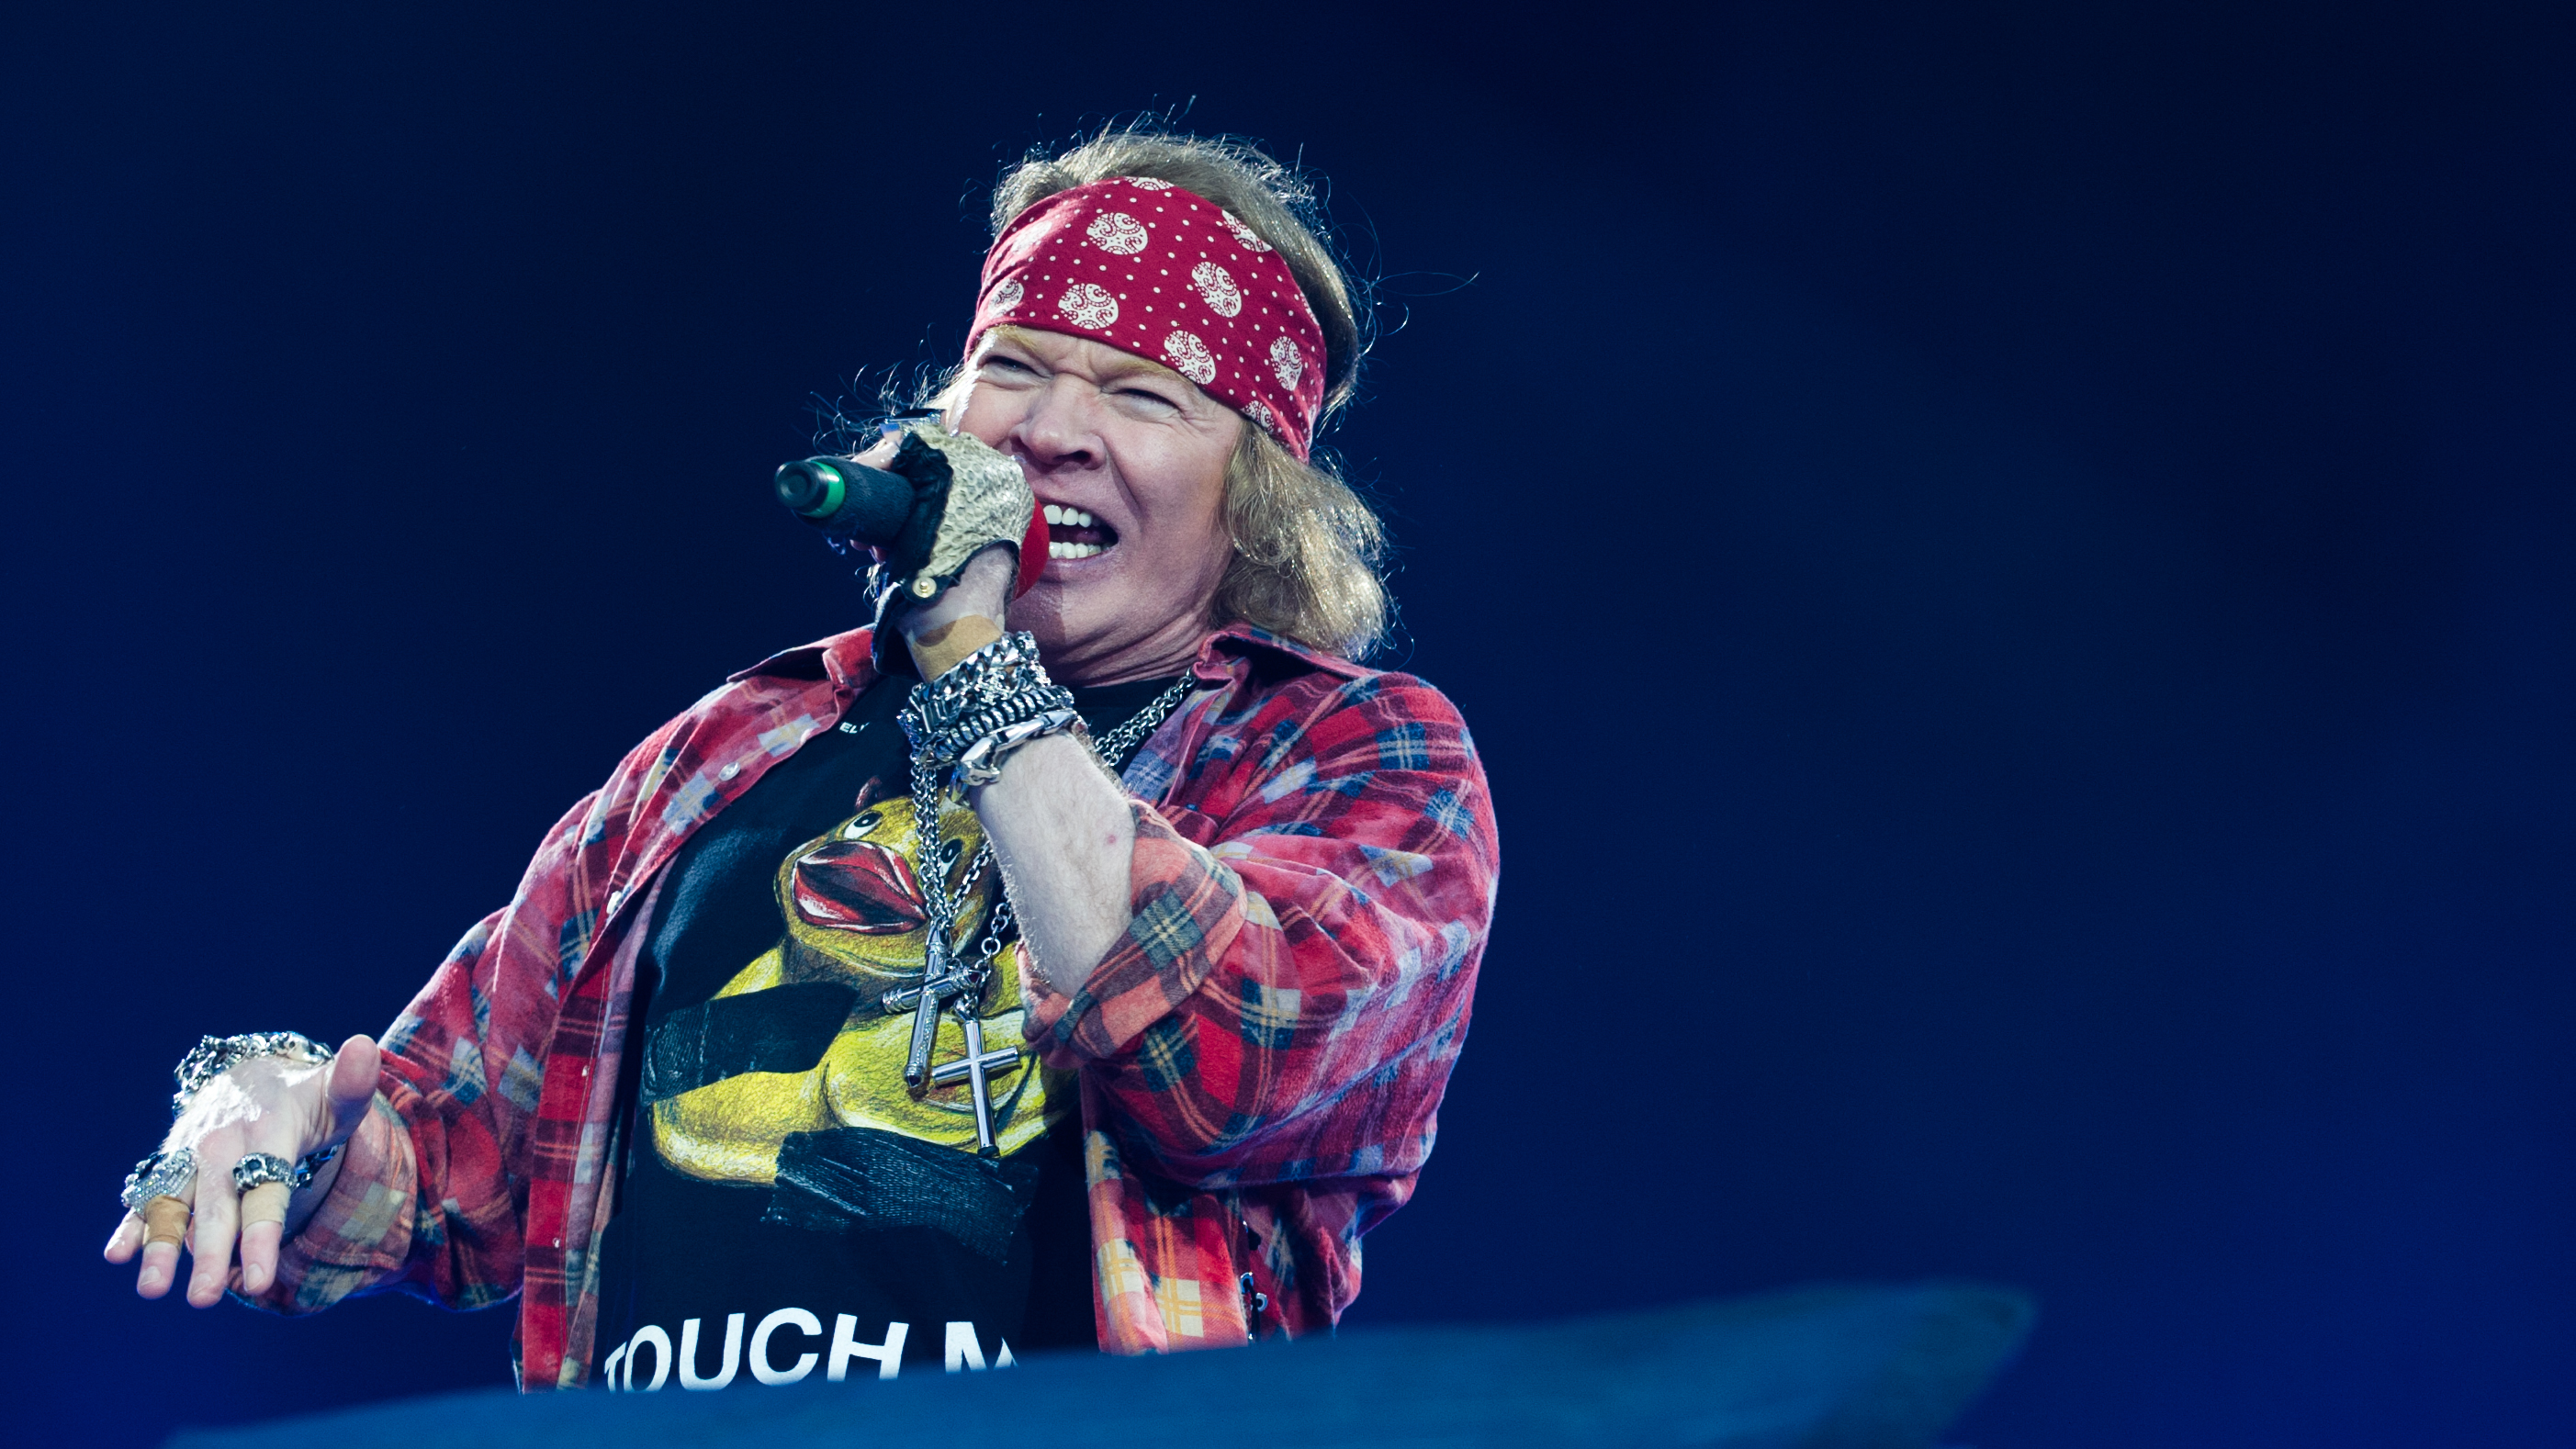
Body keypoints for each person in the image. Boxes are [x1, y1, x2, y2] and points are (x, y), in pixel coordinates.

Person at [103, 129, 1498, 1390]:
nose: (1051, 431)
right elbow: (446, 1160)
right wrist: (274, 1118)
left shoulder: (1356, 753)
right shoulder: (732, 750)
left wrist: (974, 664)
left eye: (1140, 394)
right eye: (1015, 368)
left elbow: (1229, 1066)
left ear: (1255, 497)